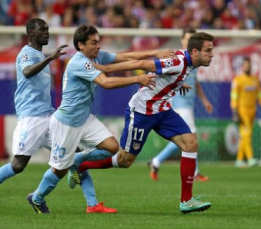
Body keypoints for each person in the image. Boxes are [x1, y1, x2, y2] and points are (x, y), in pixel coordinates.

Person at [26, 24, 170, 214]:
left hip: (84, 119)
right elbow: (106, 82)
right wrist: (137, 79)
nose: (98, 46)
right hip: (66, 123)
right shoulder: (79, 62)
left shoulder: (96, 56)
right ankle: (37, 198)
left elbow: (126, 56)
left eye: (98, 42)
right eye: (93, 43)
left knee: (111, 148)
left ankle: (76, 165)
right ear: (81, 45)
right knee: (59, 170)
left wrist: (156, 53)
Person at [71, 32, 215, 214]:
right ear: (195, 52)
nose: (212, 54)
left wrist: (177, 84)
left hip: (162, 110)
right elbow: (141, 64)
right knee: (125, 161)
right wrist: (104, 69)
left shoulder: (186, 62)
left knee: (191, 144)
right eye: (208, 51)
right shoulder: (178, 62)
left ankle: (186, 201)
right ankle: (81, 165)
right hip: (142, 111)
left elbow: (167, 75)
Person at [0, 18, 67, 190]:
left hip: (48, 115)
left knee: (71, 151)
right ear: (31, 32)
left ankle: (91, 203)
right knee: (18, 165)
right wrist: (50, 59)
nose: (47, 33)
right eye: (42, 29)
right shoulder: (27, 53)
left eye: (47, 29)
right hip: (31, 116)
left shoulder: (40, 55)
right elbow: (27, 72)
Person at [147, 28, 213, 182]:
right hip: (179, 103)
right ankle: (194, 172)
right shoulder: (178, 58)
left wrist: (204, 100)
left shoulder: (194, 60)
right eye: (188, 39)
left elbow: (195, 82)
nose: (189, 42)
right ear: (182, 40)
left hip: (189, 104)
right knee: (191, 139)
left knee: (185, 140)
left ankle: (156, 162)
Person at [230, 57, 261, 168]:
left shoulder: (255, 80)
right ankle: (250, 158)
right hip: (242, 111)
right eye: (245, 65)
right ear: (242, 67)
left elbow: (259, 94)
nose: (247, 67)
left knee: (244, 135)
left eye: (248, 65)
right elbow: (234, 96)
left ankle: (239, 160)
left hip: (253, 111)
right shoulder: (237, 80)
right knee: (247, 134)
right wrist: (235, 111)